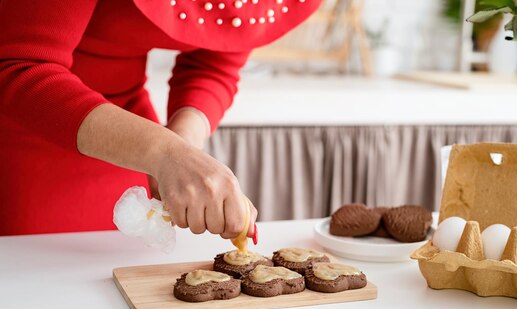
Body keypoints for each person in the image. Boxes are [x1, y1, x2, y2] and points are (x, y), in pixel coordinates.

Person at [0, 0, 321, 237]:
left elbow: (214, 63)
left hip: (130, 136)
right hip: (29, 121)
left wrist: (183, 149)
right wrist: (165, 153)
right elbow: (21, 66)